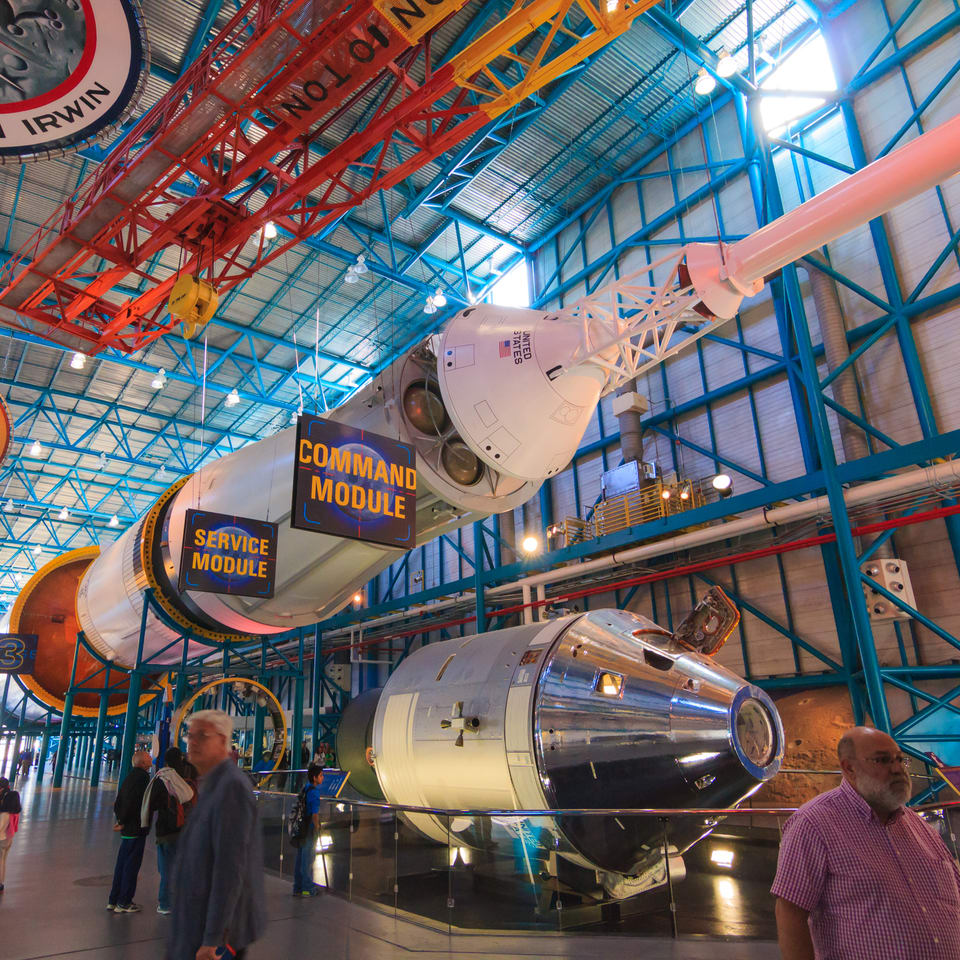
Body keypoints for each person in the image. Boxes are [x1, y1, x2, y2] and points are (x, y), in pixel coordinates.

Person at [771, 726, 960, 960]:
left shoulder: (922, 830)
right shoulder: (814, 823)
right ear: (849, 768)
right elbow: (790, 912)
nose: (897, 770)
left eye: (900, 760)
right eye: (882, 760)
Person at [169, 710, 266, 960]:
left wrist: (212, 939)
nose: (192, 742)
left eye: (202, 736)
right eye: (189, 736)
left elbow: (229, 868)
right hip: (197, 926)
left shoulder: (231, 787)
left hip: (217, 938)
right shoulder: (212, 784)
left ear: (223, 741)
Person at [142, 747, 196, 915]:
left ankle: (165, 902)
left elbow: (152, 805)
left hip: (165, 830)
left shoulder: (162, 778)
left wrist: (145, 825)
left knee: (165, 868)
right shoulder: (186, 777)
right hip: (185, 828)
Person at [108, 749, 153, 913]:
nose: (151, 757)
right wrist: (125, 820)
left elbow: (119, 801)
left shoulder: (129, 777)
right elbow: (135, 802)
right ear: (142, 763)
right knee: (131, 866)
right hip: (135, 828)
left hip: (127, 828)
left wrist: (120, 820)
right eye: (148, 757)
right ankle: (124, 902)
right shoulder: (143, 778)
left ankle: (113, 900)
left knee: (122, 864)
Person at [292, 763, 324, 897]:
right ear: (314, 777)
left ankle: (298, 887)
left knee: (300, 857)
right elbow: (315, 814)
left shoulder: (305, 788)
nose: (323, 778)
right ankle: (307, 887)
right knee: (308, 858)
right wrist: (317, 827)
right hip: (309, 828)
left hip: (300, 827)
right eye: (321, 775)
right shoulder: (315, 792)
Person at [0, 776, 22, 893]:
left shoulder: (5, 814)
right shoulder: (13, 812)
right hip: (8, 840)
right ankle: (1, 883)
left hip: (2, 839)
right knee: (2, 861)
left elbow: (1, 828)